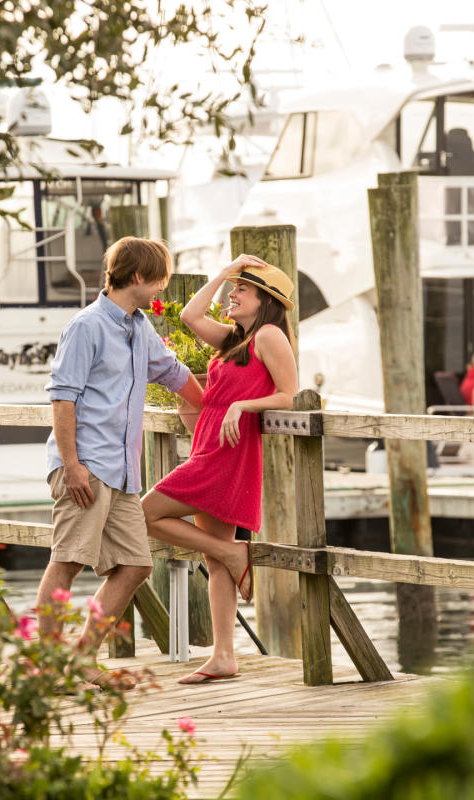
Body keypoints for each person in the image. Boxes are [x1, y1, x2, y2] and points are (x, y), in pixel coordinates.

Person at [35, 237, 204, 657]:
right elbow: (62, 397)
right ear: (138, 276)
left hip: (124, 470)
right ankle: (50, 665)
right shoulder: (86, 326)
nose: (162, 288)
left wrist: (216, 411)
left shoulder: (139, 327)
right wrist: (71, 465)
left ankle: (80, 658)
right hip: (86, 466)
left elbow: (172, 372)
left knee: (136, 565)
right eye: (160, 280)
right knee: (68, 561)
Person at [141, 255, 299, 685]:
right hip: (207, 445)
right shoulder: (235, 338)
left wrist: (241, 405)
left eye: (242, 288)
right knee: (214, 553)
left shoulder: (269, 335)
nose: (232, 293)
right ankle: (224, 655)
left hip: (225, 455)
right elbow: (191, 315)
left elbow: (290, 395)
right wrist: (228, 269)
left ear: (265, 300)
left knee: (143, 515)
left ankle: (235, 556)